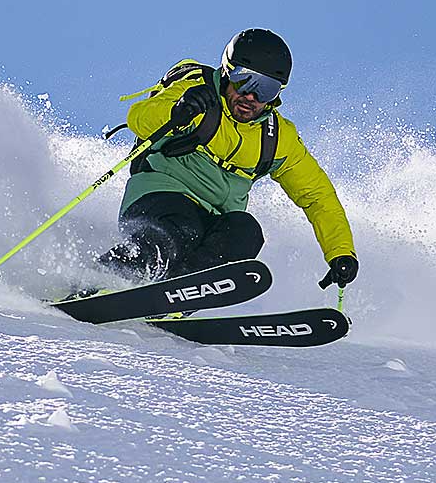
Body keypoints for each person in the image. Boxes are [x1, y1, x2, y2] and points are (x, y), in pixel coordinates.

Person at [97, 28, 359, 292]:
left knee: (246, 233)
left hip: (214, 220)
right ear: (226, 72)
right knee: (181, 229)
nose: (251, 97)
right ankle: (101, 279)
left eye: (266, 89)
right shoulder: (197, 91)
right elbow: (139, 119)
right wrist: (178, 110)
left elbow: (317, 196)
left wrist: (340, 251)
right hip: (160, 196)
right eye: (245, 81)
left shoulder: (278, 138)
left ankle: (177, 296)